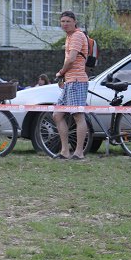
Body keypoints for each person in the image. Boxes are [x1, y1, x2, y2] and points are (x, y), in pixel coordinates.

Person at [52, 11, 89, 160]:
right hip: (70, 81)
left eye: (68, 21)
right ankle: (65, 151)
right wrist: (64, 77)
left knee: (78, 116)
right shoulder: (69, 37)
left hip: (77, 81)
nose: (65, 24)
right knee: (57, 115)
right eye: (62, 21)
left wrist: (61, 72)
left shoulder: (77, 36)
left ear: (75, 22)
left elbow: (71, 59)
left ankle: (79, 153)